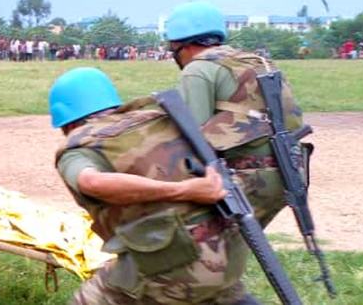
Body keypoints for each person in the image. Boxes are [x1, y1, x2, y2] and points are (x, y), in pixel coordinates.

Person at [51, 67, 256, 304]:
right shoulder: (160, 120)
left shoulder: (79, 149)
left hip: (173, 265)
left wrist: (183, 190)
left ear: (66, 122)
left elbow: (92, 182)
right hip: (227, 258)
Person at [163, 1, 308, 226]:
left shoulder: (197, 69)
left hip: (249, 176)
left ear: (181, 44)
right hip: (291, 170)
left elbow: (193, 139)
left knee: (181, 233)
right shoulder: (254, 61)